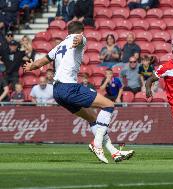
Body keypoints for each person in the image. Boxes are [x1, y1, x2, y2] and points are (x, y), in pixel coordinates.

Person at [23, 21, 134, 164]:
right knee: (109, 105)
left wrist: (31, 66)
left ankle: (114, 152)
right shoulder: (81, 38)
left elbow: (39, 63)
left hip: (57, 91)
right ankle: (97, 143)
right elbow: (80, 39)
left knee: (92, 118)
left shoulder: (58, 46)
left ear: (68, 32)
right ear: (81, 31)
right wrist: (79, 39)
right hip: (69, 87)